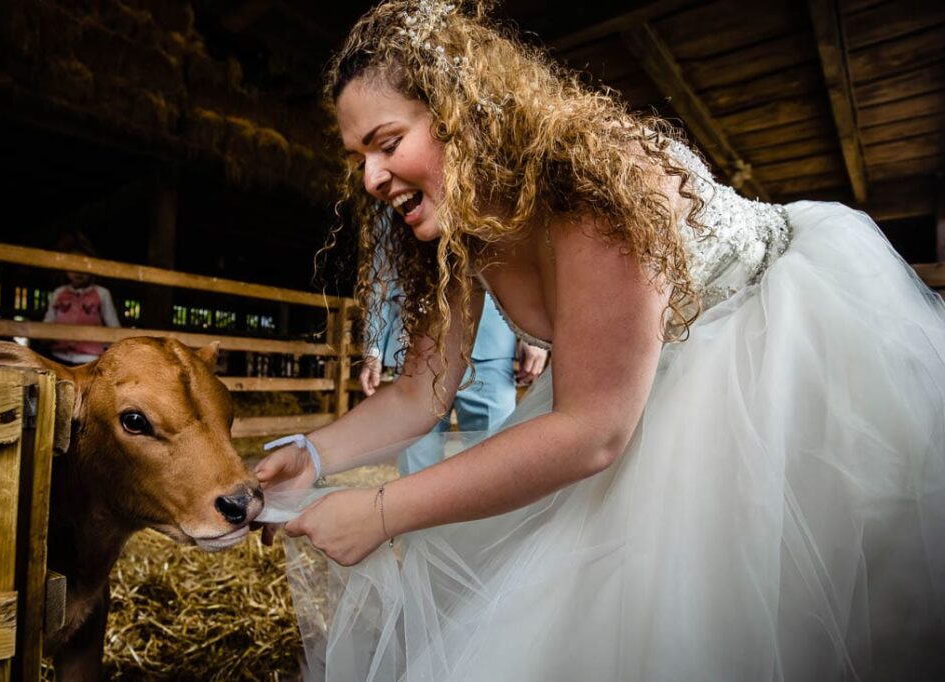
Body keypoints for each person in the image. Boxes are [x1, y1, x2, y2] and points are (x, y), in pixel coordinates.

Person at [254, 2, 945, 680]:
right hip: (633, 389)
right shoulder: (458, 234)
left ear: (460, 114)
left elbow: (594, 432)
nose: (372, 178)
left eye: (387, 142)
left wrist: (382, 511)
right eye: (359, 158)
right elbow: (420, 390)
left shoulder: (592, 188)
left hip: (777, 355)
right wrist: (314, 454)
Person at [361, 277, 548, 474]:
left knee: (495, 461)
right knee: (416, 459)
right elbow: (382, 274)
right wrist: (373, 348)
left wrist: (533, 334)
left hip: (491, 346)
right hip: (415, 348)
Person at [43, 235, 121, 365]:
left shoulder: (102, 293)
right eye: (73, 265)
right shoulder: (59, 293)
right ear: (65, 268)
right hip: (59, 355)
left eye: (84, 266)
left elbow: (113, 325)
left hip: (91, 358)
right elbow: (48, 321)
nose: (78, 271)